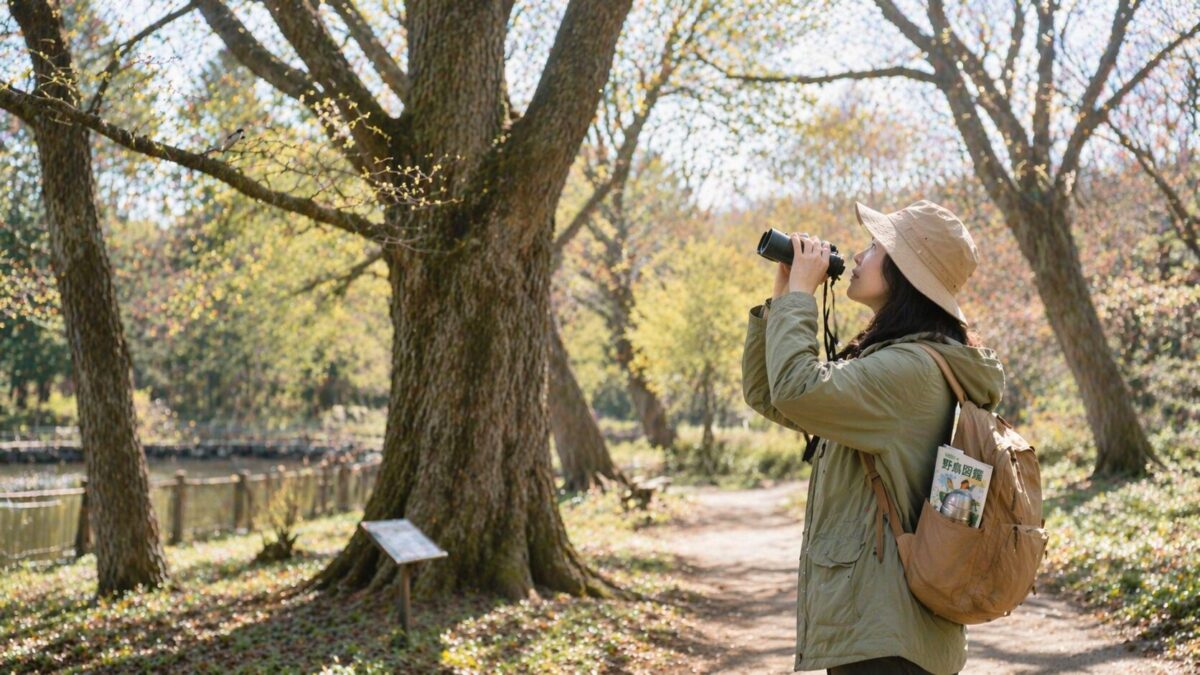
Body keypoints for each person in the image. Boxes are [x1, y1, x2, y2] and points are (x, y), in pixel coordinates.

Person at [741, 200, 1007, 675]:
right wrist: (784, 296)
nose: (858, 256)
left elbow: (796, 389)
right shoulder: (901, 361)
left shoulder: (909, 370)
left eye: (874, 246)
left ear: (906, 272)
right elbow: (773, 396)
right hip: (882, 626)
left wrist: (801, 297)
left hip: (887, 634)